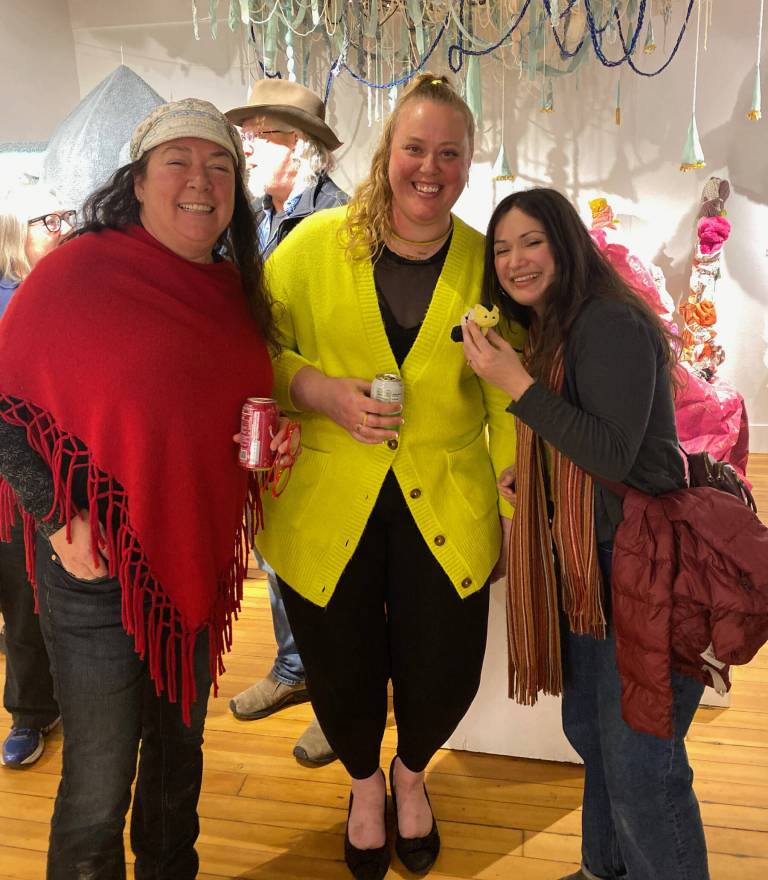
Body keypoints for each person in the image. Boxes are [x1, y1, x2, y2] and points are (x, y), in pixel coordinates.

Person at [0, 99, 294, 879]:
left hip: (189, 560)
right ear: (138, 180)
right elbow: (4, 405)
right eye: (179, 162)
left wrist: (262, 447)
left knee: (176, 764)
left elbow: (213, 411)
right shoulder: (77, 270)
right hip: (92, 575)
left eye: (221, 166)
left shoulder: (234, 289)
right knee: (98, 787)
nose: (201, 181)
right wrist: (57, 513)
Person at [257, 74, 517, 880]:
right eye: (414, 148)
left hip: (446, 494)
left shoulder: (487, 263)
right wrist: (319, 391)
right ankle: (365, 785)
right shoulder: (310, 248)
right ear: (387, 153)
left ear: (471, 163)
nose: (428, 167)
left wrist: (513, 479)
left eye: (449, 152)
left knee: (444, 665)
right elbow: (252, 351)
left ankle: (414, 775)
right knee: (340, 659)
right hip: (326, 498)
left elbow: (511, 386)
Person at [462, 188, 710, 880]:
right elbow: (581, 444)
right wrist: (533, 477)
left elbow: (610, 454)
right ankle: (603, 868)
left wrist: (514, 383)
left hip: (641, 564)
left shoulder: (608, 323)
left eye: (531, 242)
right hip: (591, 561)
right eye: (502, 248)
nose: (515, 260)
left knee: (640, 765)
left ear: (566, 244)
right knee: (596, 738)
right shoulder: (556, 330)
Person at [225, 78, 346, 767]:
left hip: (319, 416)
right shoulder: (249, 216)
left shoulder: (337, 218)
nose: (245, 146)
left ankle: (339, 693)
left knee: (329, 561)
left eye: (261, 135)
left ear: (299, 147)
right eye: (246, 134)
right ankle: (295, 667)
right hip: (265, 411)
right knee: (276, 547)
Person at [0, 182, 74, 768]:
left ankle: (77, 700)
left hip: (63, 479)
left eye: (64, 215)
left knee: (53, 598)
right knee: (20, 600)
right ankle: (31, 710)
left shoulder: (67, 293)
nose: (62, 226)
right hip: (12, 484)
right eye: (48, 219)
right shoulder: (7, 299)